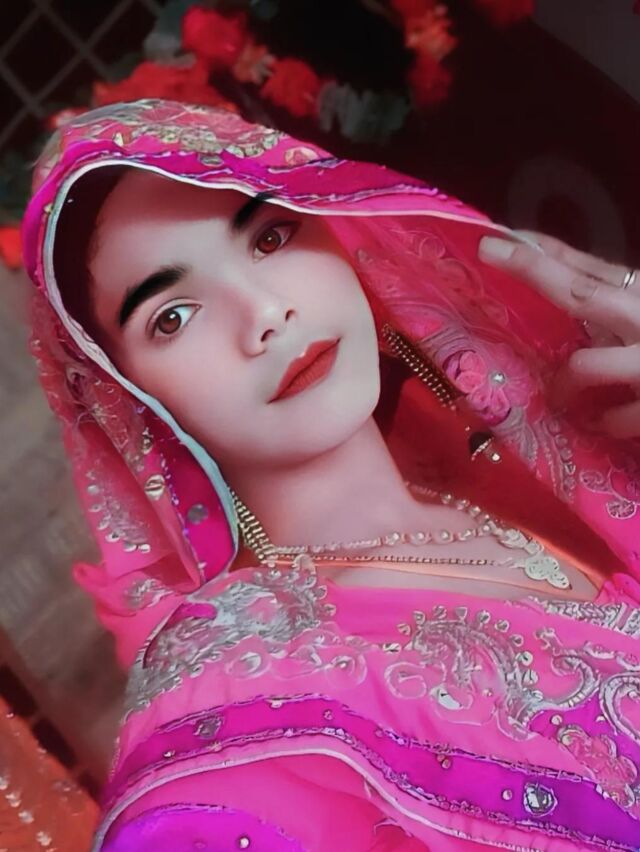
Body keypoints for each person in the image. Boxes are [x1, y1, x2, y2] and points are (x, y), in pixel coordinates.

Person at [22, 99, 640, 850]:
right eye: (172, 316)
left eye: (271, 236)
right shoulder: (241, 722)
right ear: (131, 404)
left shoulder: (526, 486)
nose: (265, 315)